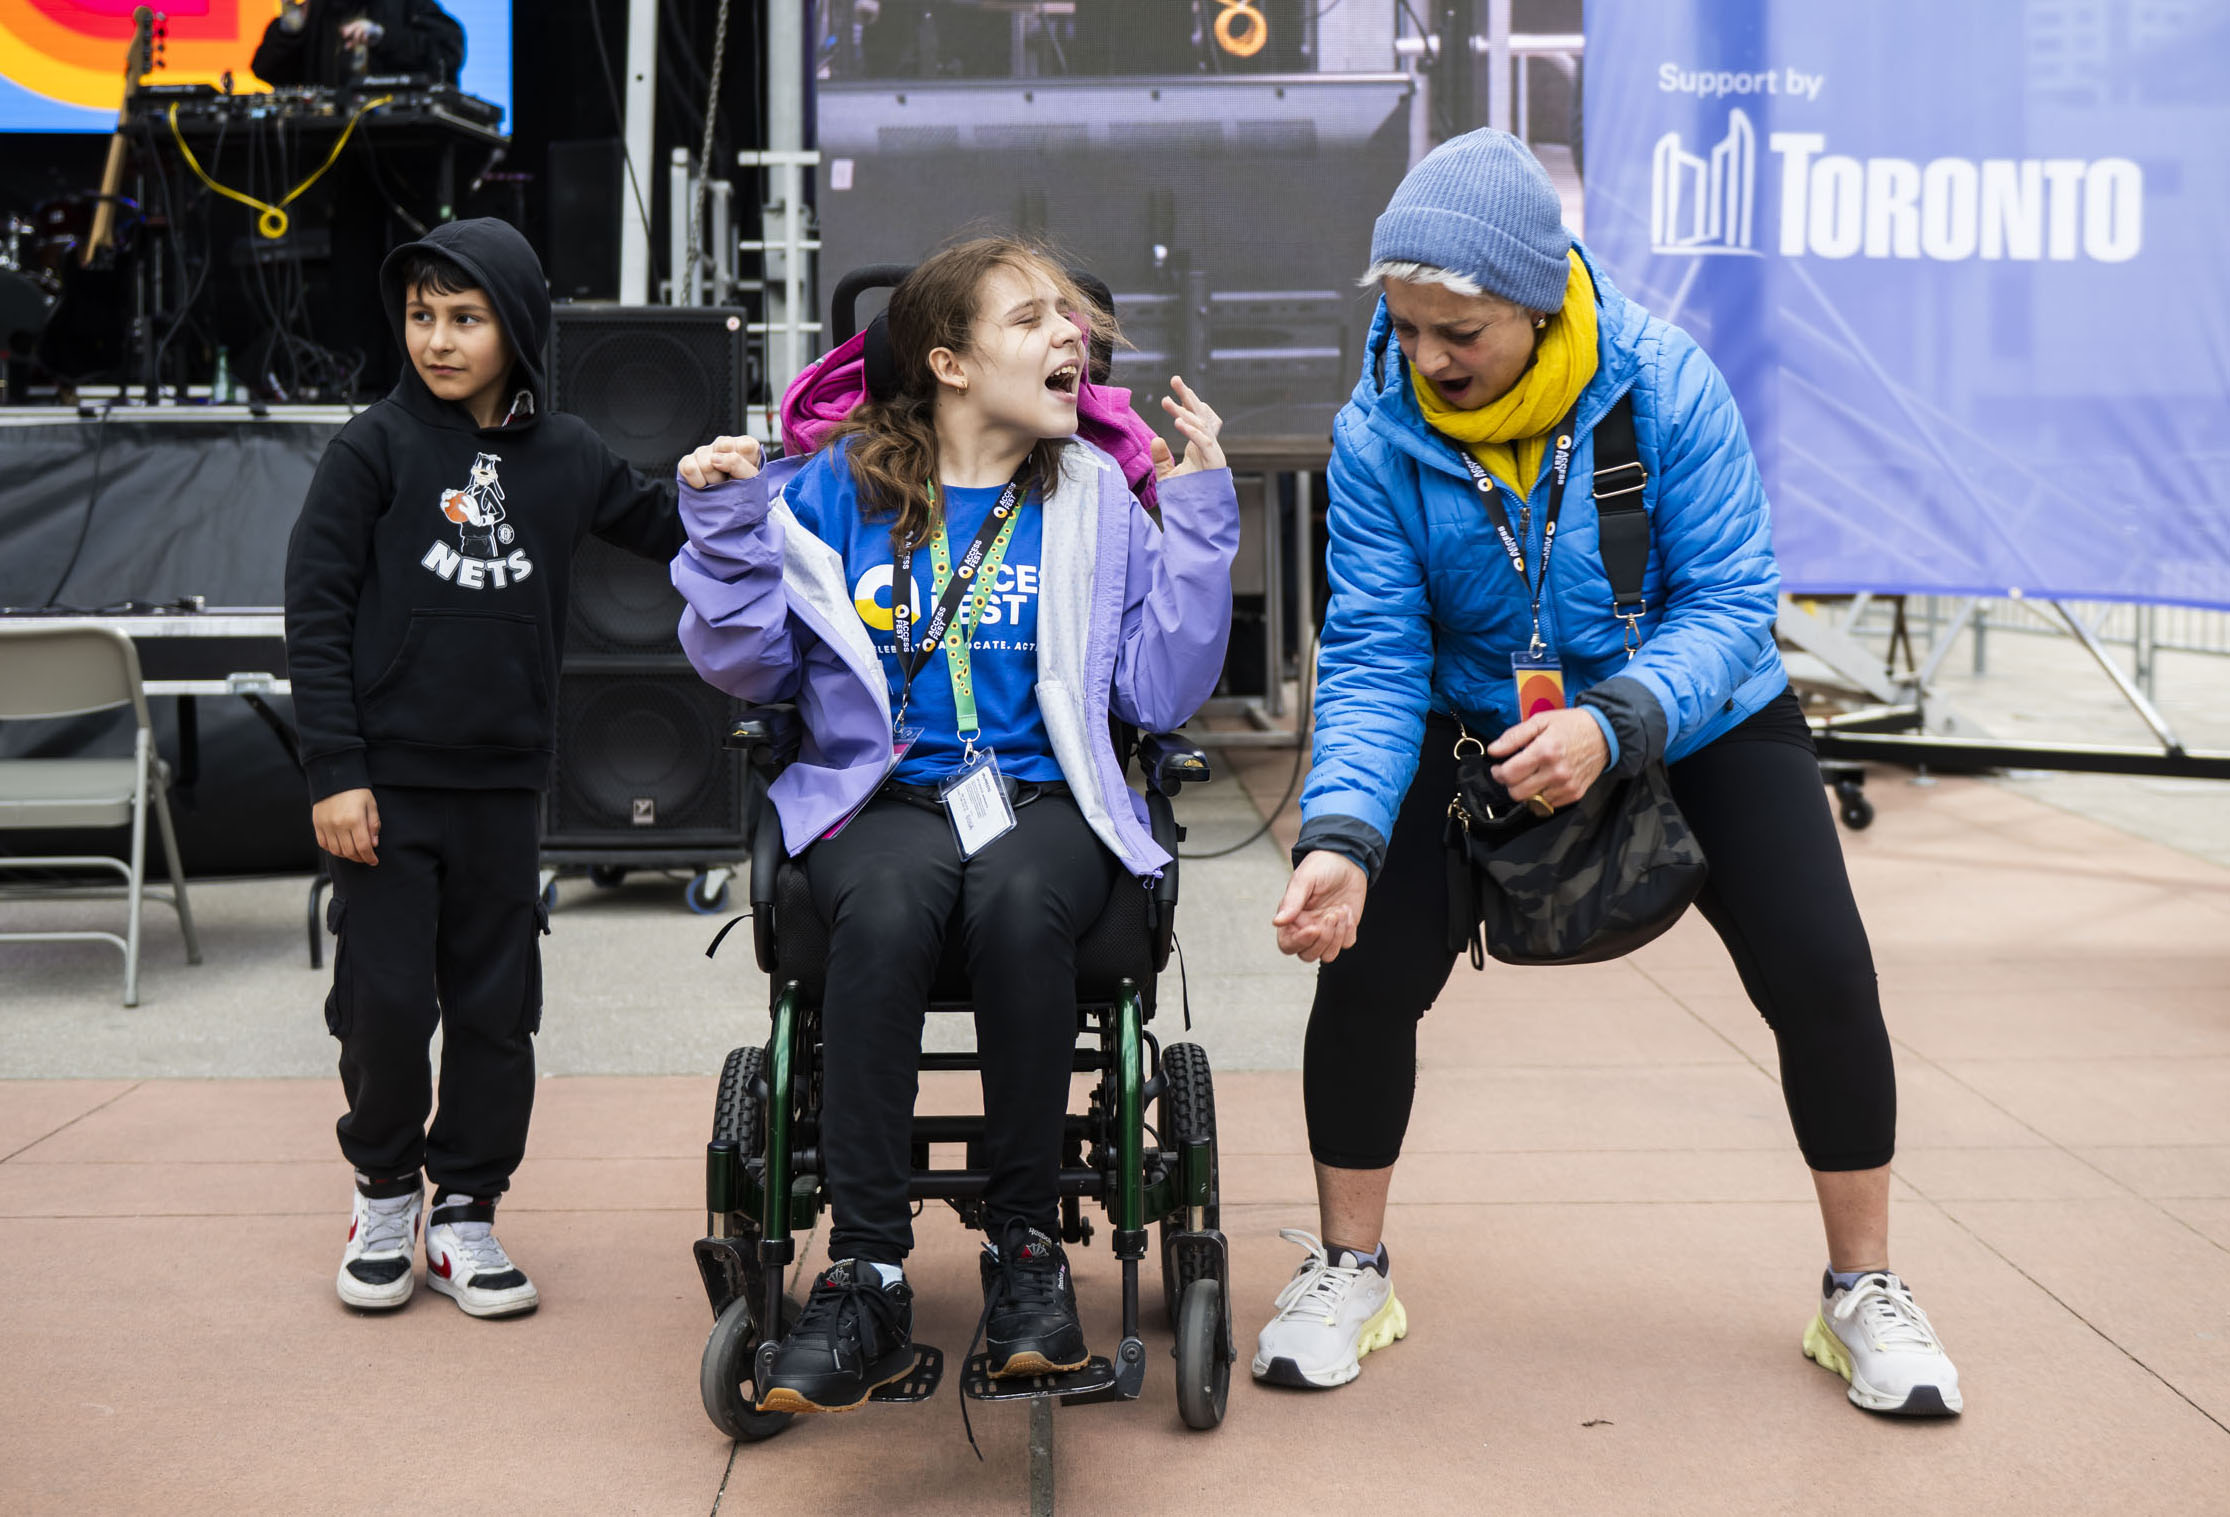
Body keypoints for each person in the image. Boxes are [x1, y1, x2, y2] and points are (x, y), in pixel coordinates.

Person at [1255, 130, 1963, 1417]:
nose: (1428, 358)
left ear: (1535, 300)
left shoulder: (1662, 381)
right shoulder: (1377, 431)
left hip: (1688, 708)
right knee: (1361, 968)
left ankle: (1862, 1290)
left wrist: (1616, 719)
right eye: (1407, 328)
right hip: (1472, 721)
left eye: (1457, 329)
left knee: (1821, 967)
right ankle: (1349, 1268)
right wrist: (1340, 836)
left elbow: (1735, 602)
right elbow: (1369, 645)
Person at [672, 236, 1237, 1414]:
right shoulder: (831, 491)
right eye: (1031, 318)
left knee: (1017, 897)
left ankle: (1028, 1254)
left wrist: (1194, 513)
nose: (1068, 336)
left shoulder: (1093, 496)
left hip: (1045, 800)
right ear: (949, 360)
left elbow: (1156, 693)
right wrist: (725, 524)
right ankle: (868, 1271)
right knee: (883, 902)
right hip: (881, 797)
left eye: (1070, 316)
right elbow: (746, 664)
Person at [284, 219, 682, 1318]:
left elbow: (674, 527)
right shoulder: (370, 449)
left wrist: (746, 484)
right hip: (384, 791)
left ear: (519, 328)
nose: (439, 339)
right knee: (384, 1002)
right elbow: (313, 612)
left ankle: (465, 1211)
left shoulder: (569, 457)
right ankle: (381, 1194)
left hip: (506, 788)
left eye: (466, 318)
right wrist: (333, 770)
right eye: (422, 316)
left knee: (498, 1010)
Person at [252, 0, 465, 89]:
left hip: (393, 145)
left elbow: (448, 52)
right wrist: (289, 29)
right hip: (322, 146)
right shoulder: (316, 10)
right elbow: (266, 69)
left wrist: (383, 37)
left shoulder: (405, 4)